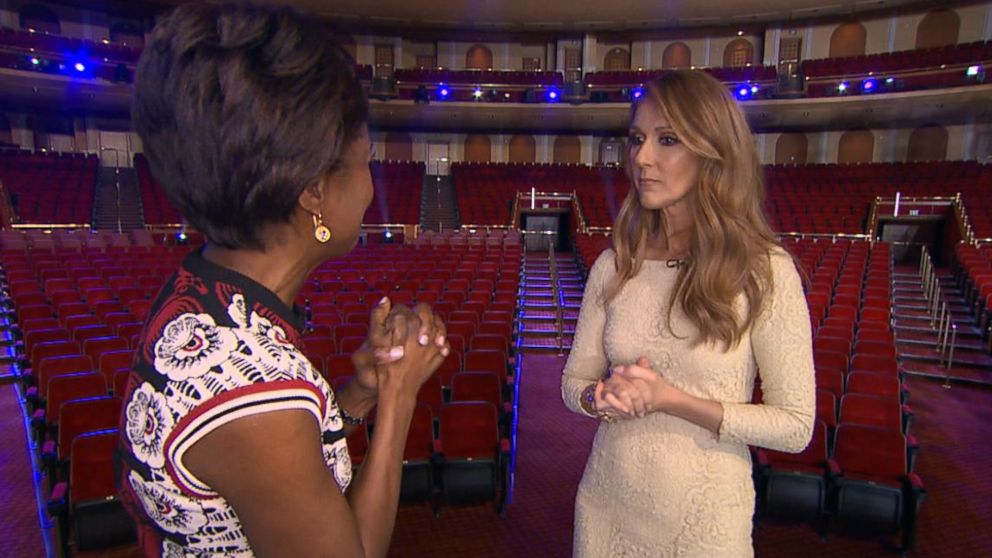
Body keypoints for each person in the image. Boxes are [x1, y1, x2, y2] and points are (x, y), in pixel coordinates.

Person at [116, 4, 449, 557]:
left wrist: (360, 395)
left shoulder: (203, 290)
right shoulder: (258, 393)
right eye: (365, 161)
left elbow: (272, 462)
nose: (372, 188)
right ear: (314, 192)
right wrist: (398, 398)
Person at [560, 70, 815, 557]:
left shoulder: (765, 271)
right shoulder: (615, 265)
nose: (642, 158)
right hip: (607, 505)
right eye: (637, 139)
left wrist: (669, 399)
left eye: (668, 139)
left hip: (704, 520)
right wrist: (600, 396)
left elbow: (795, 426)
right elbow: (573, 384)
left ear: (712, 151)